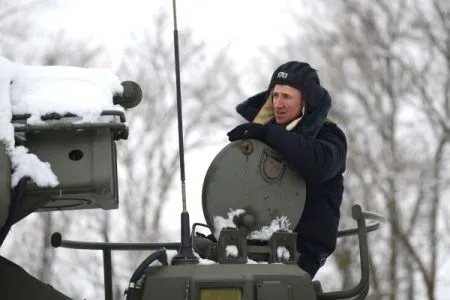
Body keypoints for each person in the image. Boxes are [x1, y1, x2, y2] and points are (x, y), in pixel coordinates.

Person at [227, 61, 347, 278]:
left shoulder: (330, 137)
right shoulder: (264, 137)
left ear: (305, 101)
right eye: (275, 95)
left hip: (303, 250)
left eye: (287, 97)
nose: (278, 104)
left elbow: (316, 165)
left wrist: (267, 134)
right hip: (257, 239)